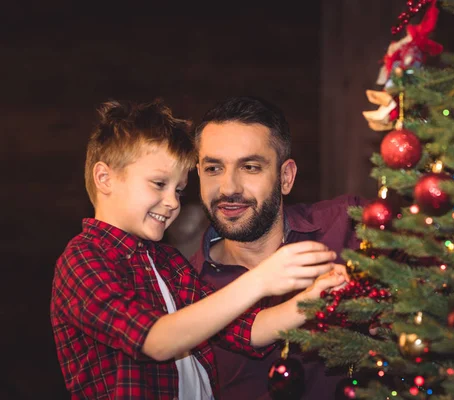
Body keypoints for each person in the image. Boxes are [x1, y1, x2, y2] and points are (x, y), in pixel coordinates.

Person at [50, 99, 349, 400]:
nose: (172, 202)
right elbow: (156, 340)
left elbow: (247, 330)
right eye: (158, 184)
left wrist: (313, 299)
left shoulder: (168, 262)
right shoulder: (83, 260)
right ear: (105, 178)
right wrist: (262, 280)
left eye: (178, 190)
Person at [190, 95, 365, 400]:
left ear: (285, 177)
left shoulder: (349, 227)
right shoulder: (186, 290)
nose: (229, 188)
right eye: (214, 169)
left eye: (251, 167)